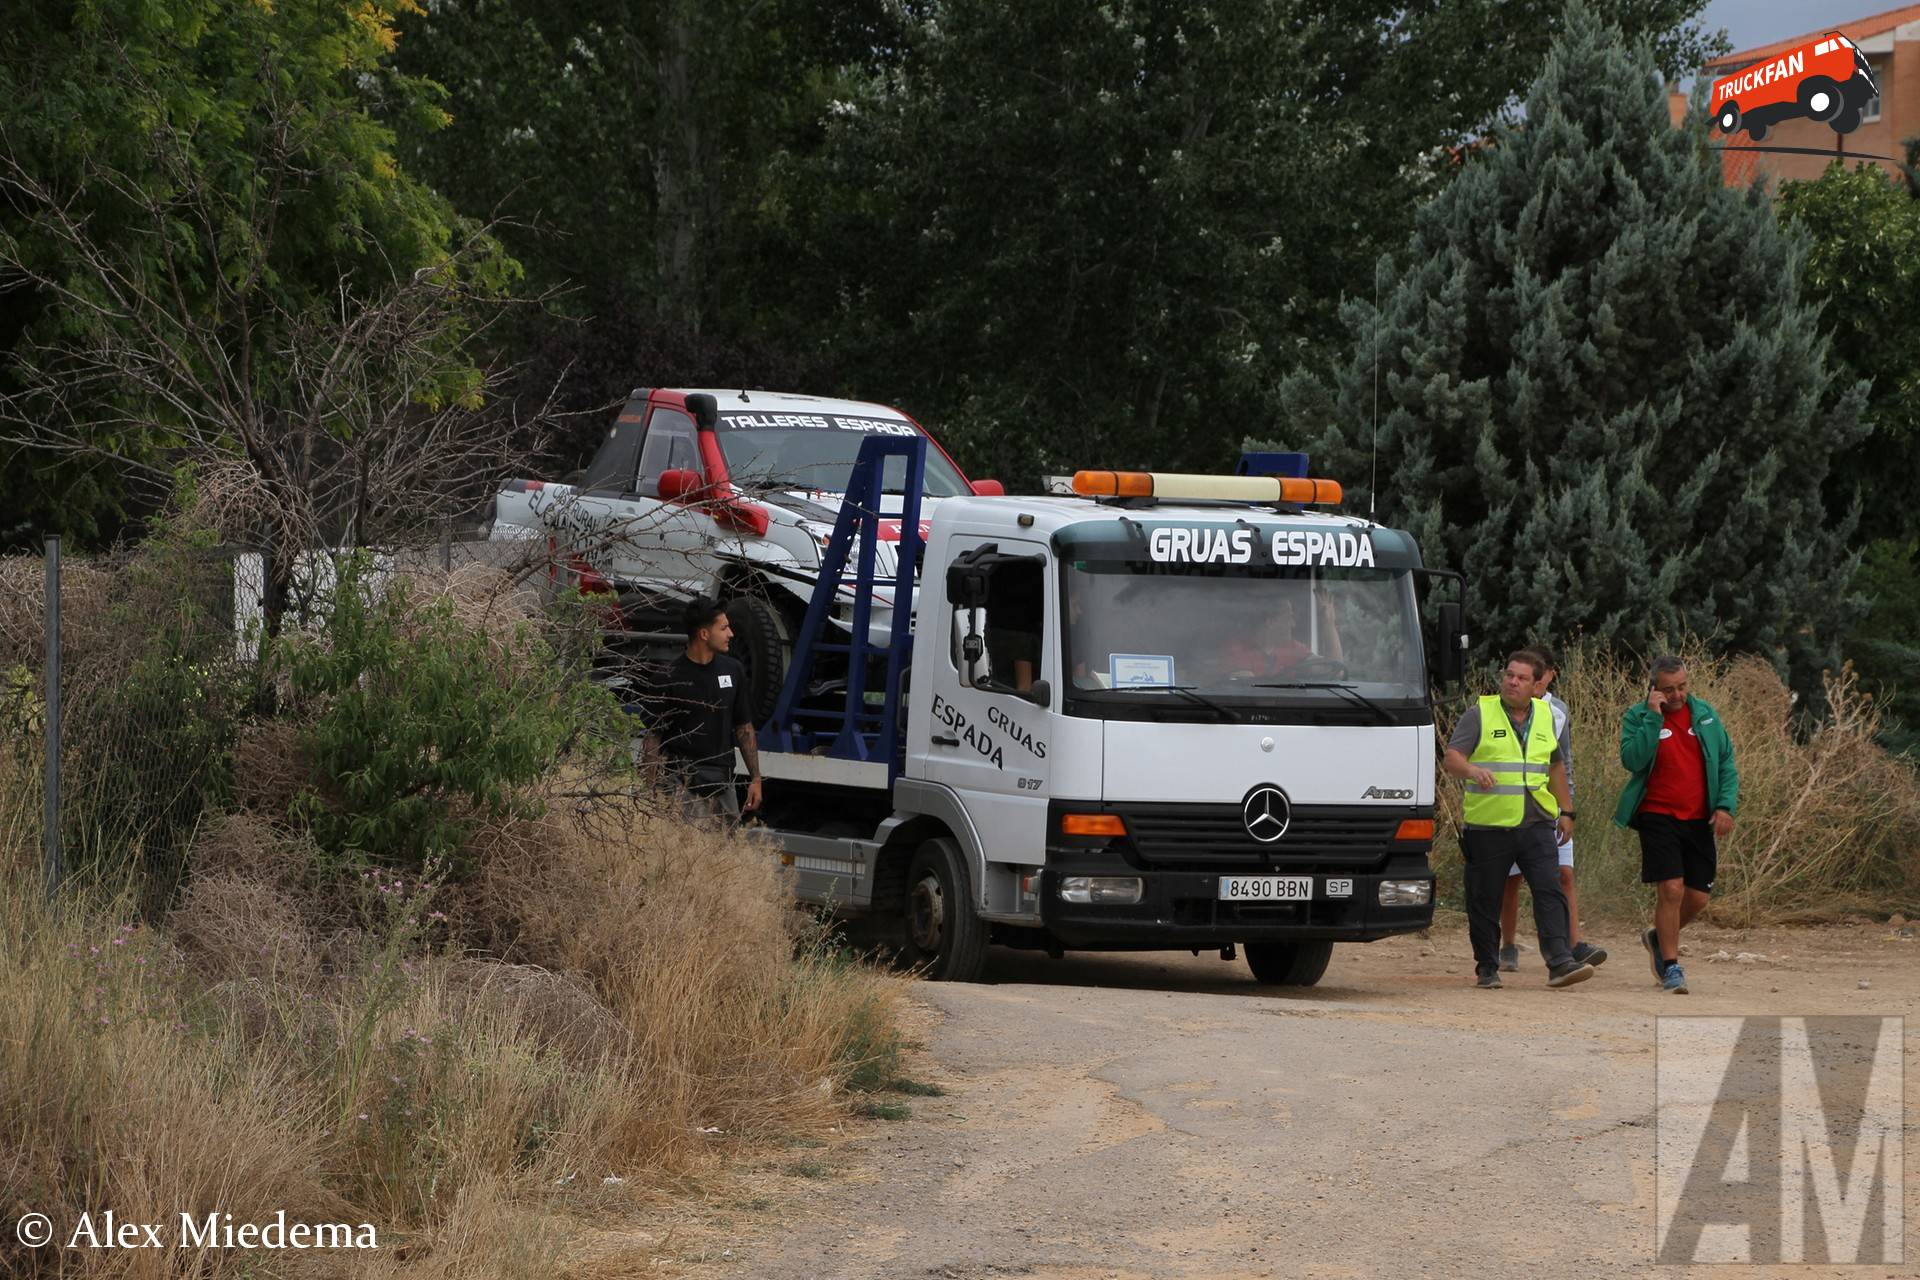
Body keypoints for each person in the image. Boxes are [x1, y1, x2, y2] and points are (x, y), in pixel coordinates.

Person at [1441, 650, 1593, 989]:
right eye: (1509, 674)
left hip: (1537, 821)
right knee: (1484, 898)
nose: (1513, 681)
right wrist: (1472, 770)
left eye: (1522, 678)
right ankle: (1487, 967)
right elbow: (1452, 758)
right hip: (1489, 826)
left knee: (1549, 889)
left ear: (1537, 683)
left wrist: (1566, 812)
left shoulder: (1545, 715)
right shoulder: (1480, 713)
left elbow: (1555, 766)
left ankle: (1560, 962)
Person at [1614, 655, 1739, 995]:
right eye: (1669, 689)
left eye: (1682, 686)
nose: (1677, 695)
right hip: (1658, 815)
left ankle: (1657, 936)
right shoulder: (1638, 716)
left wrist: (1726, 806)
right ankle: (1671, 967)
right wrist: (1654, 719)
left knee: (1697, 899)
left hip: (1699, 817)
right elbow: (1632, 760)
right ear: (1654, 688)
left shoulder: (1706, 715)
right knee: (1671, 889)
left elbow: (1726, 762)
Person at [1497, 646, 1607, 972]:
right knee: (1511, 882)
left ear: (1548, 676)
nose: (1530, 681)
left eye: (1538, 675)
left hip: (1549, 810)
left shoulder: (1558, 711)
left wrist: (1566, 809)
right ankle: (1508, 945)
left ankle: (1573, 946)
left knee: (1564, 875)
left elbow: (1564, 764)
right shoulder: (1498, 709)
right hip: (1509, 809)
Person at [642, 596, 763, 823]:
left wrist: (756, 779)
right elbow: (652, 739)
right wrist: (652, 792)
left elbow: (744, 728)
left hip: (722, 783)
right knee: (686, 852)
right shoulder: (667, 678)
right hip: (681, 784)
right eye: (724, 628)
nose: (731, 634)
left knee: (725, 853)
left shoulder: (734, 670)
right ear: (704, 634)